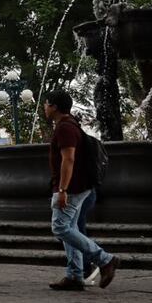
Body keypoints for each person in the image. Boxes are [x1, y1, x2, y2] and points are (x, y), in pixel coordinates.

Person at [45, 90, 119, 291]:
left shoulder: (65, 128)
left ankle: (104, 259)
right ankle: (75, 275)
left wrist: (62, 189)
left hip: (72, 188)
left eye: (46, 103)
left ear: (54, 106)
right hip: (78, 186)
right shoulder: (71, 125)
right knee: (71, 228)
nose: (44, 107)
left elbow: (68, 159)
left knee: (60, 227)